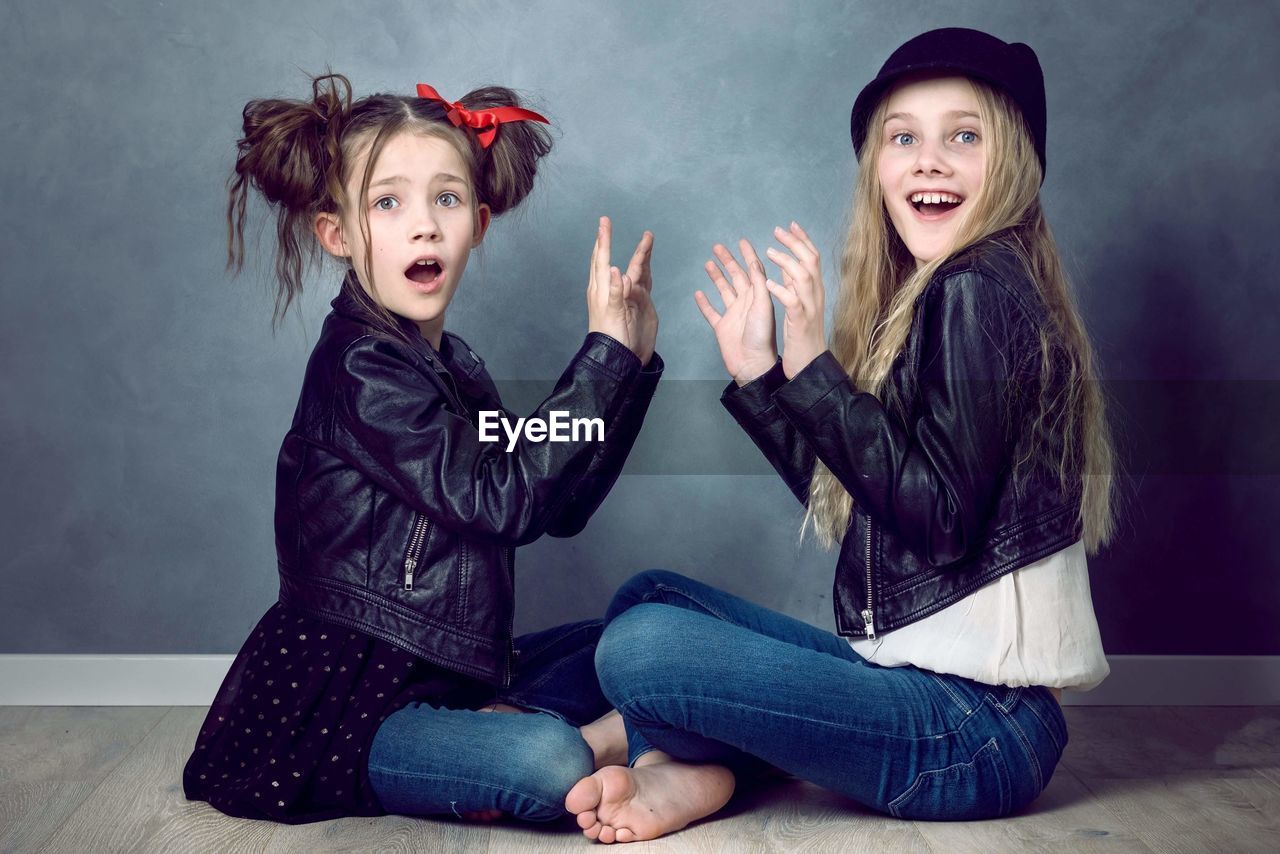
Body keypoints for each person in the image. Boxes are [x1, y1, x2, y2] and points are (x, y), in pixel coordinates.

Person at [566, 27, 1115, 843]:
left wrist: (813, 364)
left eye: (964, 136)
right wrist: (764, 377)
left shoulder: (976, 289)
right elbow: (875, 511)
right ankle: (687, 769)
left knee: (641, 649)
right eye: (904, 138)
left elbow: (940, 524)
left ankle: (671, 760)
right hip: (923, 695)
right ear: (877, 170)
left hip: (974, 732)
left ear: (1015, 164)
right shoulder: (945, 292)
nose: (929, 160)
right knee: (649, 600)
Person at [183, 72, 660, 825]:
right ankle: (610, 743)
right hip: (357, 706)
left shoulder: (450, 366)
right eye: (387, 202)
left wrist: (624, 368)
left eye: (445, 199)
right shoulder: (362, 368)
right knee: (547, 763)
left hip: (456, 673)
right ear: (336, 232)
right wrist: (599, 359)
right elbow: (506, 499)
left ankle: (570, 731)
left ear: (479, 220)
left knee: (657, 625)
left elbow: (555, 508)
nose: (424, 226)